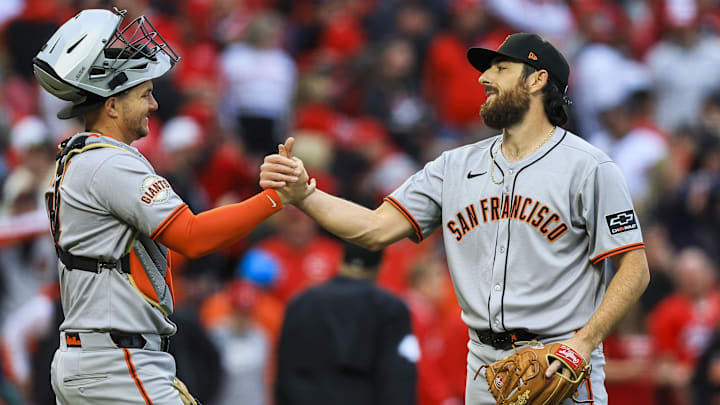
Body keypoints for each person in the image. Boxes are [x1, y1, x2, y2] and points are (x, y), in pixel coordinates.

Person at [261, 33, 650, 405]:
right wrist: (305, 195)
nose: (483, 78)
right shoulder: (455, 165)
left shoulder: (589, 167)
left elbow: (634, 268)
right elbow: (374, 229)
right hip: (482, 367)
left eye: (500, 69)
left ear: (538, 80)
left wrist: (583, 343)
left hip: (558, 365)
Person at [32, 8, 298, 405]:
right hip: (117, 363)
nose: (154, 105)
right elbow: (191, 236)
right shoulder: (109, 162)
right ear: (112, 105)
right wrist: (277, 197)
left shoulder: (80, 157)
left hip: (97, 359)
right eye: (144, 94)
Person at [275, 242, 418, 405]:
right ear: (382, 267)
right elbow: (399, 377)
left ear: (340, 261)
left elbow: (285, 372)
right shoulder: (390, 307)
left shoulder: (301, 302)